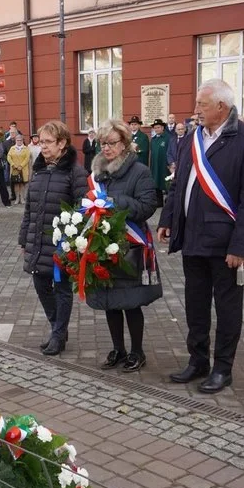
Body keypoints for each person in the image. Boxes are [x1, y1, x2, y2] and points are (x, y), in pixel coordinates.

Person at [157, 79, 244, 394]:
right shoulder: (192, 138)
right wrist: (168, 218)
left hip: (225, 244)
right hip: (192, 237)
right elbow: (179, 183)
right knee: (195, 305)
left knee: (227, 308)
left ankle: (222, 368)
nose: (195, 110)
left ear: (222, 106)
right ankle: (198, 361)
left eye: (201, 104)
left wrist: (241, 246)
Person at [88, 120, 161, 373]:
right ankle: (118, 348)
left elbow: (148, 206)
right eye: (102, 143)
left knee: (131, 301)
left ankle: (137, 351)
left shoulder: (139, 171)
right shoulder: (98, 173)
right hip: (103, 243)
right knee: (110, 300)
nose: (106, 148)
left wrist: (115, 201)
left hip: (130, 244)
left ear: (125, 144)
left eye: (111, 143)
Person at [19, 121, 88, 356]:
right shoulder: (39, 170)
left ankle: (58, 335)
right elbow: (29, 209)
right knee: (40, 285)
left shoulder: (75, 172)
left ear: (62, 143)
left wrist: (73, 240)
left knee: (61, 289)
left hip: (62, 244)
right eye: (41, 142)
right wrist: (24, 239)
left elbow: (83, 209)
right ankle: (58, 327)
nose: (43, 146)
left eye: (48, 142)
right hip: (38, 240)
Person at [149, 119, 170, 208]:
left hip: (165, 165)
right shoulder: (153, 139)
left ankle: (169, 202)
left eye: (158, 127)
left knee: (167, 183)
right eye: (155, 128)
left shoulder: (168, 138)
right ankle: (159, 201)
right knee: (156, 182)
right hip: (155, 165)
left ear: (163, 128)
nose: (157, 129)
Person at [7, 134, 30, 205]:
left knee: (22, 184)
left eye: (20, 140)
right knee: (16, 184)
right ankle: (17, 198)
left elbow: (27, 158)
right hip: (14, 169)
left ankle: (22, 198)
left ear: (22, 140)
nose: (19, 141)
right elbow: (8, 157)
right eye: (18, 140)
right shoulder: (12, 148)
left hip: (23, 169)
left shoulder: (26, 148)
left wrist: (21, 165)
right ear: (15, 141)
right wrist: (13, 164)